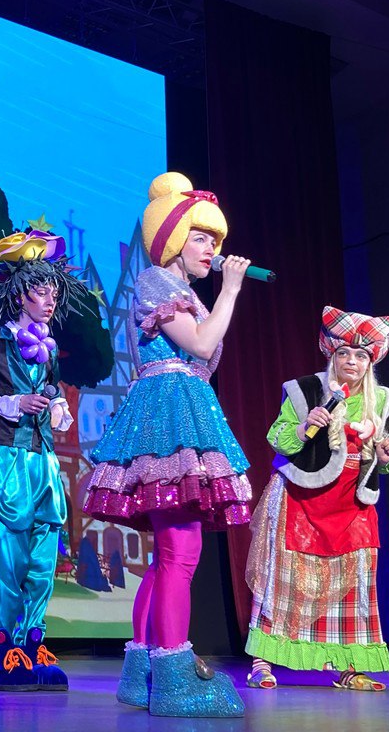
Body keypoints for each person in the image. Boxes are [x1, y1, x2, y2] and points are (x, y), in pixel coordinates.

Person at [83, 172, 251, 717]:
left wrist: (219, 297)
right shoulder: (158, 281)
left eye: (215, 240)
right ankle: (174, 680)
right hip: (168, 414)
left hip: (181, 407)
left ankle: (143, 675)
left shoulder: (180, 292)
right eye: (201, 237)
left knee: (169, 555)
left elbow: (202, 352)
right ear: (174, 238)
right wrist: (230, 290)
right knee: (181, 552)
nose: (212, 249)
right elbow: (201, 344)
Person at [245, 307, 389, 692]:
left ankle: (348, 666)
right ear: (331, 355)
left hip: (353, 505)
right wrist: (305, 427)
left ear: (371, 362)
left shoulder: (383, 401)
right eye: (344, 353)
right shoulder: (305, 391)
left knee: (353, 584)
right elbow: (277, 438)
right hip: (301, 499)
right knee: (283, 583)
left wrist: (386, 455)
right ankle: (262, 662)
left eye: (361, 355)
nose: (352, 361)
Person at [0, 228, 90, 692]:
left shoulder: (48, 350)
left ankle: (31, 643)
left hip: (41, 462)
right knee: (4, 557)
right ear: (19, 296)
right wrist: (13, 403)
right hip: (4, 458)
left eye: (54, 292)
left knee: (40, 558)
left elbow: (51, 391)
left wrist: (57, 405)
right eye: (41, 291)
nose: (50, 300)